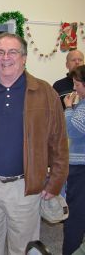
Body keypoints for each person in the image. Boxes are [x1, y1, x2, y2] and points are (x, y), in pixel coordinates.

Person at [0, 32, 69, 255]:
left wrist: (54, 183)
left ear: (24, 58)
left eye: (12, 52)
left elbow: (59, 143)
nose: (6, 57)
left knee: (23, 248)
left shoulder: (45, 93)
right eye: (0, 52)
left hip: (24, 187)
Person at [62, 65, 85, 255]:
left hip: (81, 169)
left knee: (75, 215)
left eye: (77, 84)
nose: (75, 88)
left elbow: (72, 130)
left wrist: (69, 108)